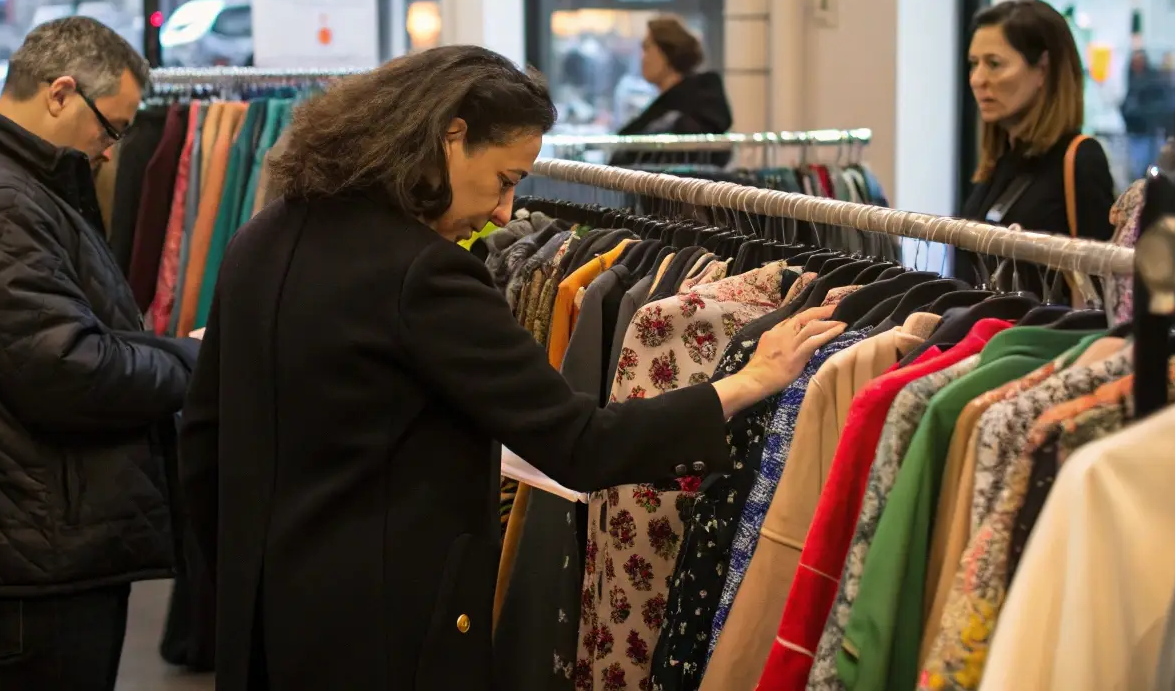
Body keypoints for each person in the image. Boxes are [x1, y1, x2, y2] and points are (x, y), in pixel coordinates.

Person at [178, 45, 845, 691]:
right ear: (450, 135)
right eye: (505, 178)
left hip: (263, 621)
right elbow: (579, 444)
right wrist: (748, 381)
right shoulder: (424, 276)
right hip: (386, 635)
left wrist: (238, 584)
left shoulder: (260, 237)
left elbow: (203, 440)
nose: (504, 211)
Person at [0, 17, 199, 691]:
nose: (109, 150)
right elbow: (68, 371)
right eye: (111, 128)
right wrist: (190, 360)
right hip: (35, 558)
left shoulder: (10, 186)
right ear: (61, 93)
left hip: (41, 543)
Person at [958, 0, 1115, 285]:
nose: (977, 79)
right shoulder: (1002, 160)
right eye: (973, 64)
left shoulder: (1079, 159)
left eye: (994, 64)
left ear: (1043, 68)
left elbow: (1100, 287)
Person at [611, 15, 733, 166]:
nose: (642, 58)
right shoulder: (670, 106)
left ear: (668, 52)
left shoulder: (697, 107)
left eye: (647, 48)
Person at [1120, 48, 1175, 179]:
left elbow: (1161, 104)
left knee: (1147, 167)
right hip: (1135, 129)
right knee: (1136, 169)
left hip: (1148, 130)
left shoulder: (1152, 80)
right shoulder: (1132, 78)